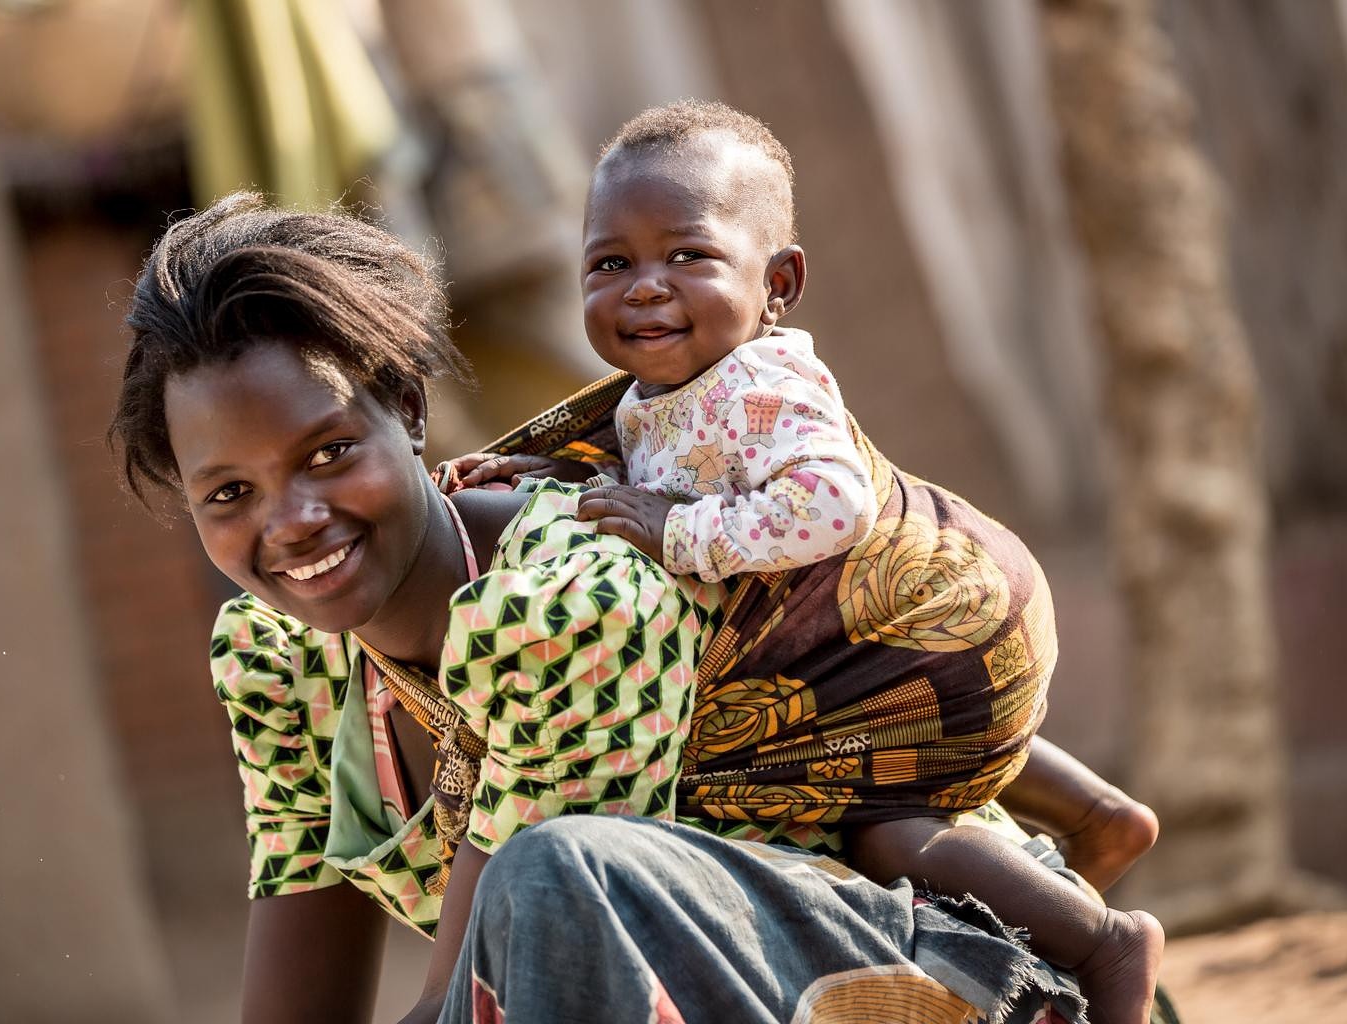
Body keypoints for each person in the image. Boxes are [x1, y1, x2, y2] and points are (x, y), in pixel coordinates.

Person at [109, 192, 1107, 1024]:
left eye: (329, 453)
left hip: (947, 976)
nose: (293, 522)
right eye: (228, 494)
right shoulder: (274, 652)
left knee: (552, 876)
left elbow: (470, 1002)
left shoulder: (566, 599)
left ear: (407, 408)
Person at [446, 100, 1163, 1024]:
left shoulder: (763, 382)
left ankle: (1103, 942)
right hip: (905, 635)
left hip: (933, 616)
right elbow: (665, 468)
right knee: (872, 741)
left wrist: (678, 536)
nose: (645, 287)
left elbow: (833, 504)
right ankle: (1101, 818)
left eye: (688, 256)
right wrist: (550, 471)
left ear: (777, 282)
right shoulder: (657, 390)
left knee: (881, 827)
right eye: (610, 263)